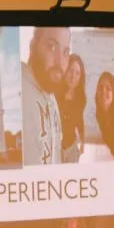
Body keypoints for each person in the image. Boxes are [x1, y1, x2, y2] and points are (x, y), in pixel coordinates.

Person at [21, 27, 68, 165]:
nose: (60, 62)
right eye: (52, 47)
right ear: (32, 46)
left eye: (66, 52)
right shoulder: (20, 86)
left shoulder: (50, 95)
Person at [58, 54, 86, 163]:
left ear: (81, 76)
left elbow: (79, 120)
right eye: (70, 71)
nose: (73, 76)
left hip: (71, 147)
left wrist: (83, 142)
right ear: (64, 71)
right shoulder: (54, 95)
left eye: (77, 73)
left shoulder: (81, 98)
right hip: (56, 148)